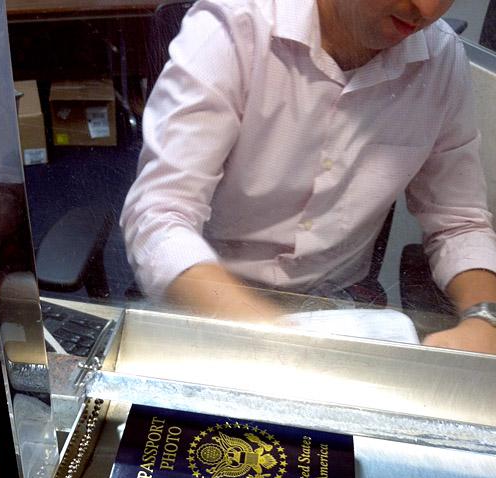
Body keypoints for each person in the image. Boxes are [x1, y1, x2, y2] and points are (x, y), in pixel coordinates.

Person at [120, 0, 496, 354]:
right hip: (207, 290)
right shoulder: (236, 26)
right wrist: (270, 333)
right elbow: (160, 214)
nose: (427, 10)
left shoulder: (440, 59)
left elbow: (459, 222)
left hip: (338, 300)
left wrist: (485, 319)